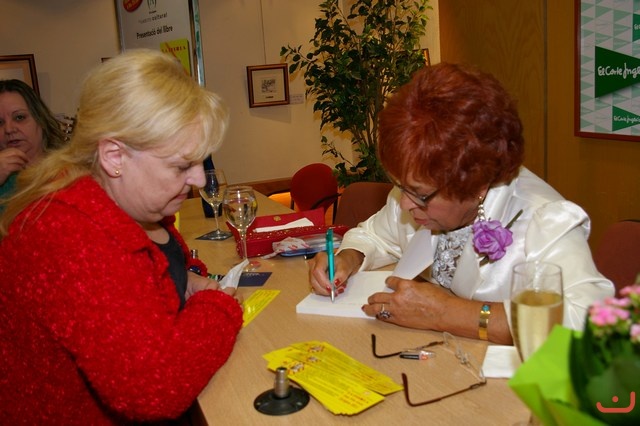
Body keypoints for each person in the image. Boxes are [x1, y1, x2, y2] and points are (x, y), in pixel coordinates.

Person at [0, 49, 242, 424]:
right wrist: (219, 308)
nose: (197, 178)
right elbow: (153, 390)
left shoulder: (117, 200)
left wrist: (189, 280)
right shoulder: (66, 234)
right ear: (114, 156)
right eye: (182, 165)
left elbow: (156, 268)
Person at [309, 63, 614, 345]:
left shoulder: (545, 219)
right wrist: (347, 259)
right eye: (401, 186)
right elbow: (375, 236)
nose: (404, 204)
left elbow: (589, 325)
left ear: (476, 184)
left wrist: (446, 313)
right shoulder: (417, 194)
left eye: (419, 193)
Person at [0, 79, 66, 205]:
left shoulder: (70, 170)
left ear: (40, 120)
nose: (9, 129)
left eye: (19, 117)